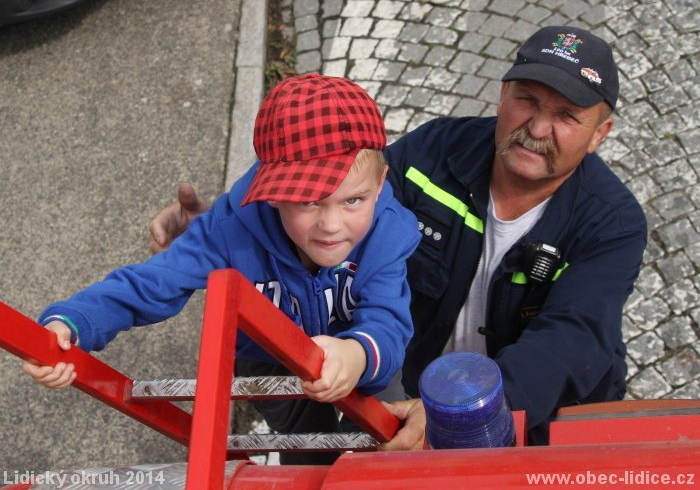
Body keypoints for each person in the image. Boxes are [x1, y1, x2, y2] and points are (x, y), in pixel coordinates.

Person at [149, 26, 648, 447]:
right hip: (411, 382)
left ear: (599, 133)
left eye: (566, 116)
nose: (537, 127)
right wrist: (226, 229)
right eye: (527, 101)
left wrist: (464, 413)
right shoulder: (432, 152)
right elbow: (340, 193)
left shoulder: (614, 224)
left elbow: (572, 336)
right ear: (502, 95)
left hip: (529, 411)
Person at [22, 74, 421, 462]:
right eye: (307, 201)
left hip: (364, 349)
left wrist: (357, 354)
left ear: (380, 184)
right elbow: (153, 283)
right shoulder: (229, 231)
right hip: (272, 361)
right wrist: (73, 323)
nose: (332, 225)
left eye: (353, 201)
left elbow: (387, 321)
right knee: (306, 450)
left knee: (389, 439)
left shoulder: (388, 232)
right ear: (271, 192)